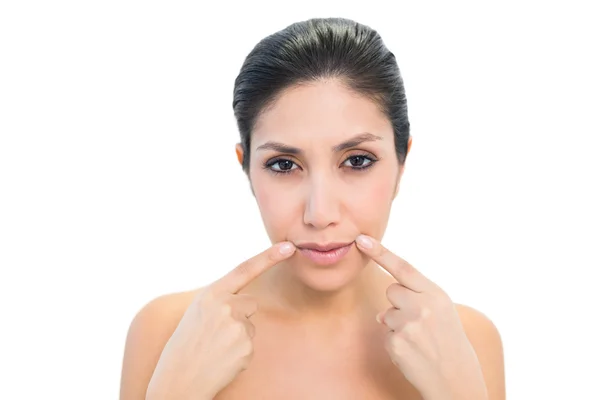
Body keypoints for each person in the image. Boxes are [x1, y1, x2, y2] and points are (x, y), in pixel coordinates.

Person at [119, 17, 505, 400]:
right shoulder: (168, 331)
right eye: (284, 165)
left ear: (402, 162)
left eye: (357, 161)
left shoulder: (465, 341)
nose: (320, 214)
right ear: (247, 168)